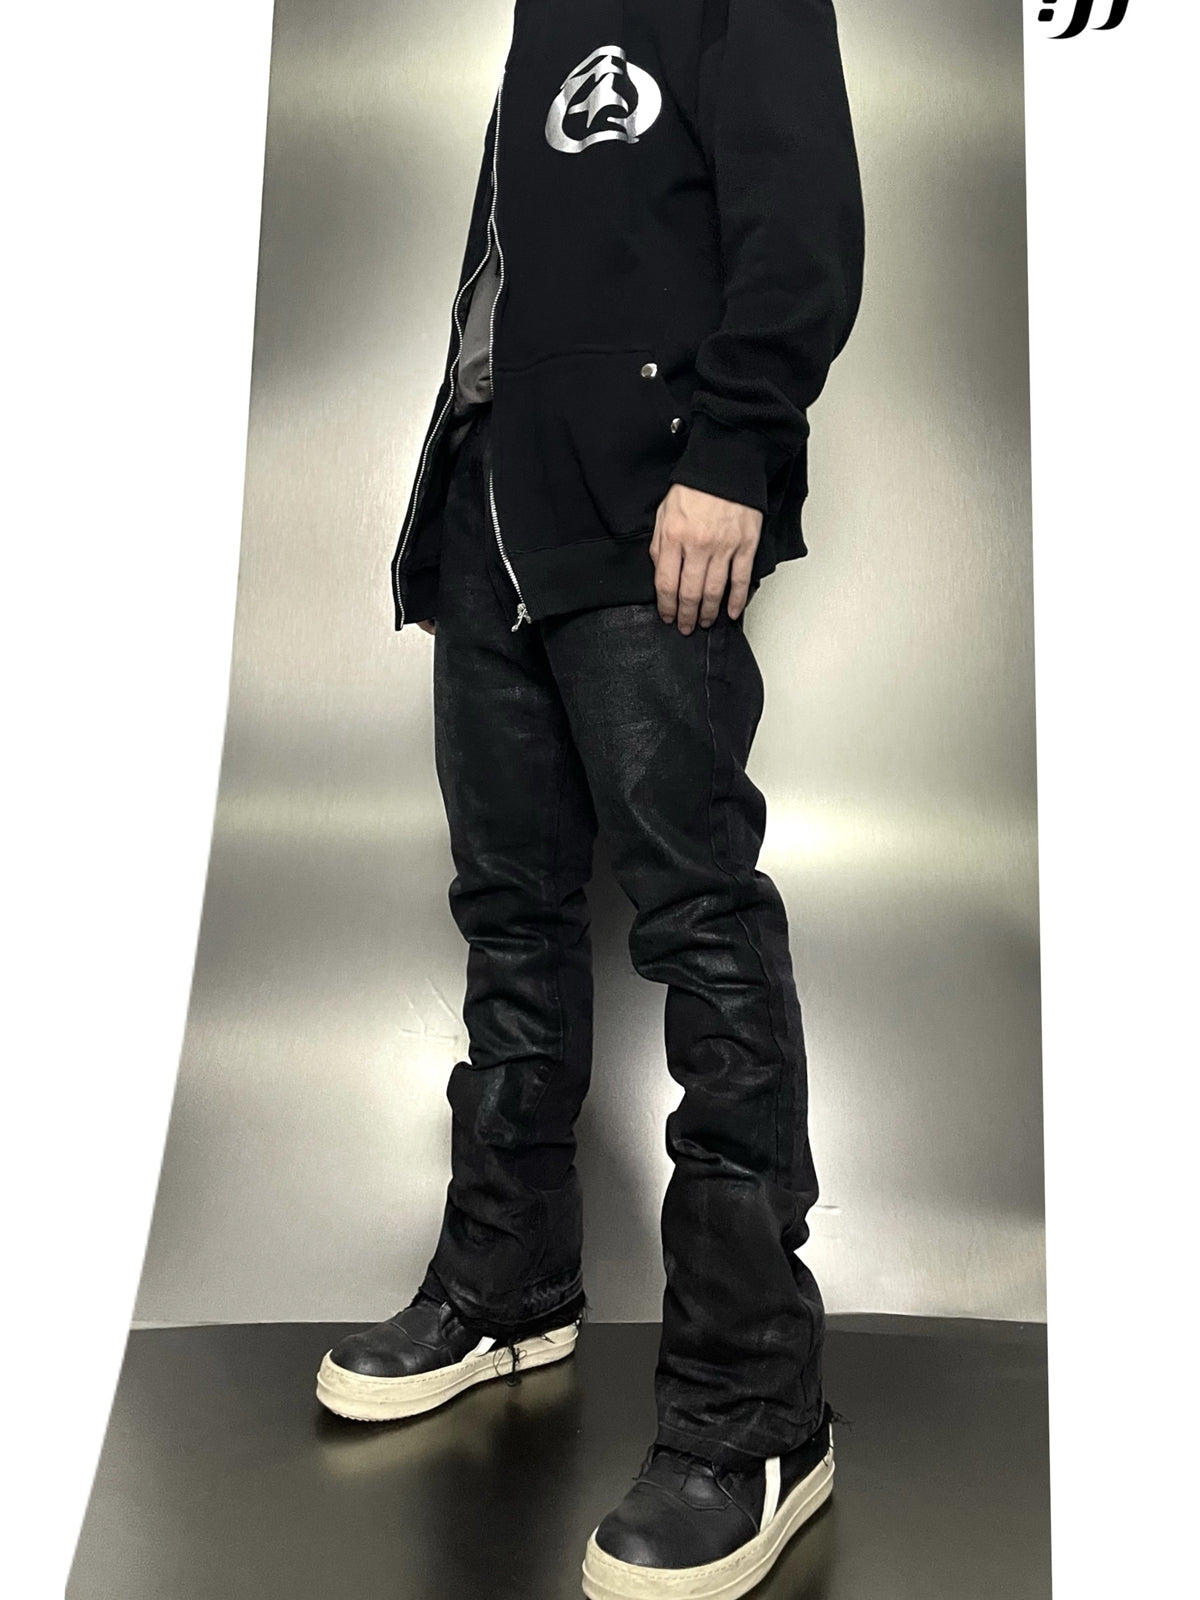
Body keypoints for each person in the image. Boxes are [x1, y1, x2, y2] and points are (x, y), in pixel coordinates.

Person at [315, 4, 864, 1595]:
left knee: (699, 922)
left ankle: (758, 1407)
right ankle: (510, 1280)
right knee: (509, 913)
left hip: (646, 503)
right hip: (494, 511)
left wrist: (735, 451)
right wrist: (453, 508)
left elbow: (804, 219)